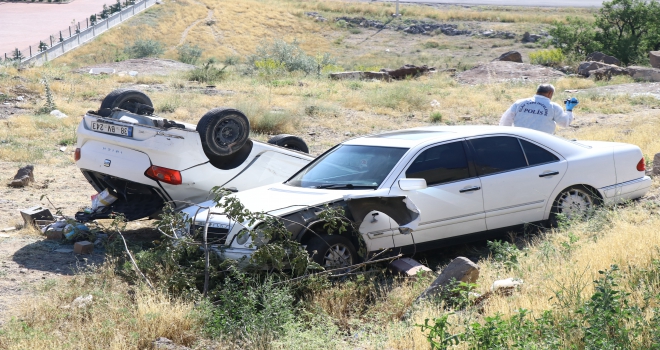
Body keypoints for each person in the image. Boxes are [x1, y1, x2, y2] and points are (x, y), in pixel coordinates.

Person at [499, 84, 579, 134]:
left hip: (520, 139)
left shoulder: (519, 103)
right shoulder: (553, 107)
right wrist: (569, 110)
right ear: (550, 93)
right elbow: (564, 124)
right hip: (542, 142)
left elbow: (505, 121)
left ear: (537, 91)